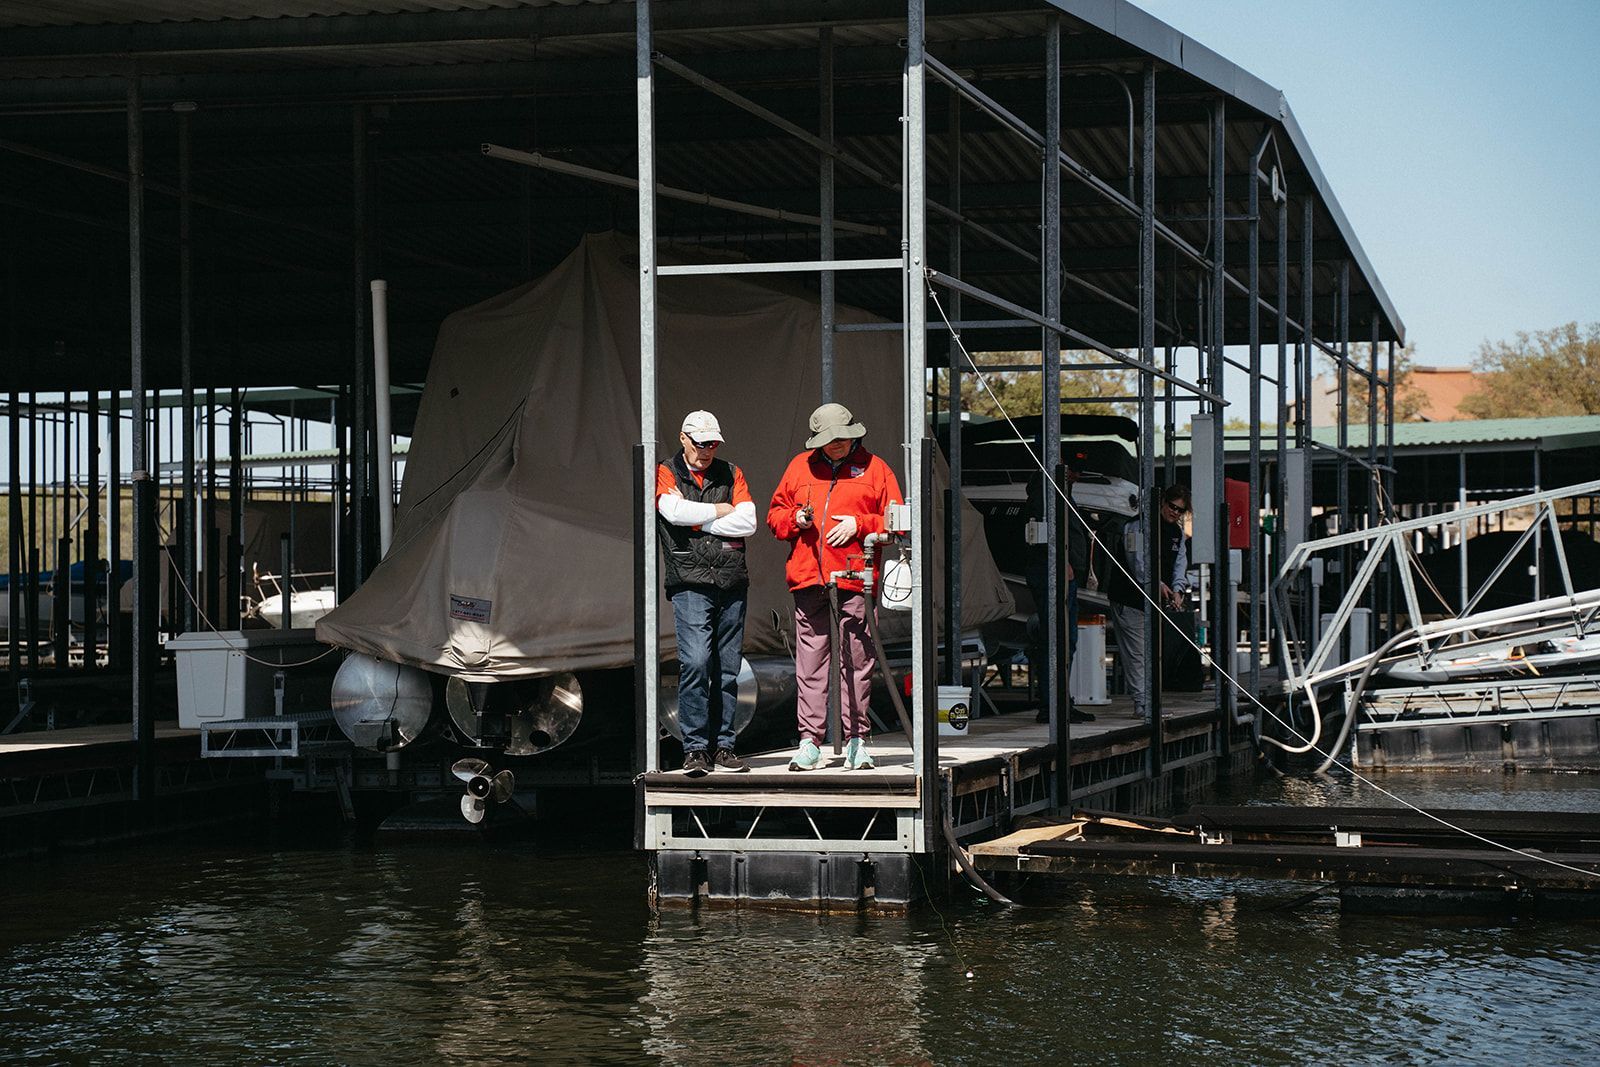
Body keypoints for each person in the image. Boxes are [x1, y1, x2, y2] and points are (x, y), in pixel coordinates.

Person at [767, 403, 903, 772]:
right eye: (830, 440)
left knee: (857, 660)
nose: (838, 444)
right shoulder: (799, 466)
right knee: (811, 662)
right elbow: (774, 516)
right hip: (808, 578)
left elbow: (899, 522)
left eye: (843, 437)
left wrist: (859, 525)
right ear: (818, 442)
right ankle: (809, 741)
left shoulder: (876, 469)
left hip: (855, 578)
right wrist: (795, 519)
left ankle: (857, 740)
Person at [657, 410, 757, 777]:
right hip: (689, 583)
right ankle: (696, 748)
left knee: (727, 669)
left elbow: (749, 521)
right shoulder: (666, 471)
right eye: (700, 443)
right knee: (697, 662)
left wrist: (696, 518)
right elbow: (672, 511)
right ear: (683, 438)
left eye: (712, 443)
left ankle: (725, 746)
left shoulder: (732, 472)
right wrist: (717, 512)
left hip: (731, 580)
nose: (706, 451)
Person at [1105, 484, 1194, 722]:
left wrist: (1177, 589)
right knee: (1138, 654)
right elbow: (1138, 563)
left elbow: (1179, 564)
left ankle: (1149, 703)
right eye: (1172, 507)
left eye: (1180, 510)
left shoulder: (1176, 533)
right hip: (1129, 598)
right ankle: (1143, 704)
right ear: (1163, 503)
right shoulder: (1137, 526)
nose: (1174, 512)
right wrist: (1155, 583)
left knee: (1150, 652)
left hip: (1152, 602)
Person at [1025, 467, 1095, 724]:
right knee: (1058, 638)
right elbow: (1044, 529)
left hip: (1065, 576)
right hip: (1051, 574)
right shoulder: (1044, 492)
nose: (1074, 473)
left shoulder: (1061, 493)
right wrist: (1060, 560)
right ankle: (1052, 704)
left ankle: (1061, 701)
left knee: (1066, 640)